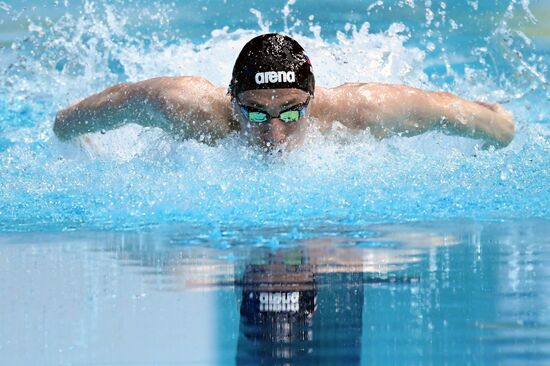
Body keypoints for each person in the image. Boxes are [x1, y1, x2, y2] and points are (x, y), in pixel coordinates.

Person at [54, 33, 515, 150]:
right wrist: (73, 138)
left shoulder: (363, 113)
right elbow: (70, 120)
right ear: (231, 102)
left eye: (291, 113)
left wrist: (490, 142)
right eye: (255, 114)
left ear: (313, 101)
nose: (273, 136)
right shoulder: (183, 107)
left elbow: (498, 125)